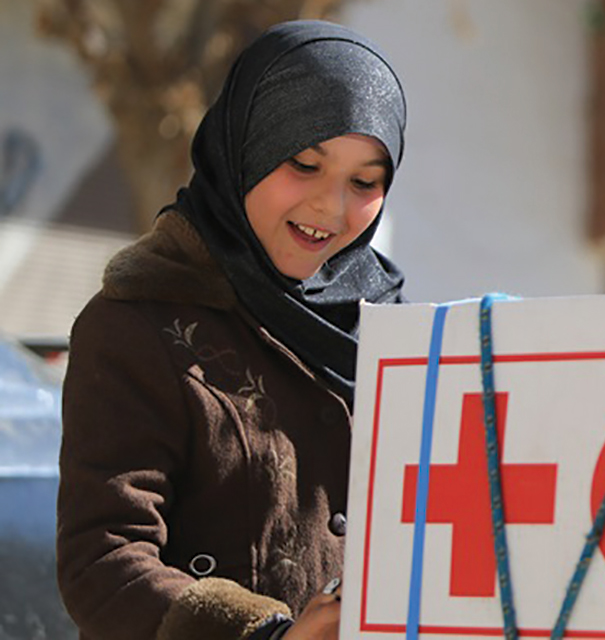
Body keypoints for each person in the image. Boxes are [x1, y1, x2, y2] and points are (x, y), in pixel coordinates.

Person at [56, 20, 407, 640]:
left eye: (364, 181)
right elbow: (103, 560)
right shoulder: (138, 322)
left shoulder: (395, 328)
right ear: (246, 145)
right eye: (303, 163)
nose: (331, 206)